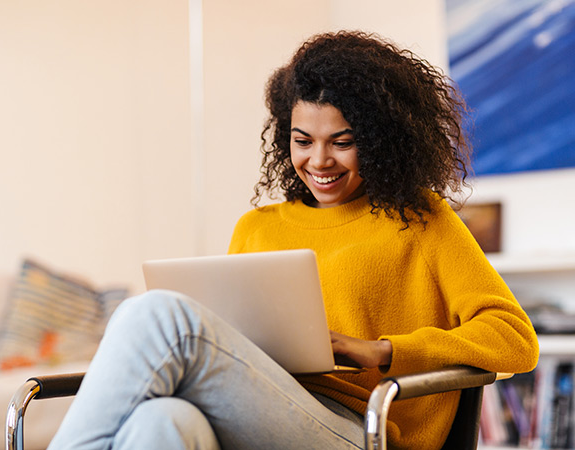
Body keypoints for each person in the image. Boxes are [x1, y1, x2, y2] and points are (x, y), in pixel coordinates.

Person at [48, 31, 538, 450]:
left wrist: (384, 350)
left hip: (360, 427)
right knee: (161, 423)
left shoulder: (420, 219)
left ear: (382, 139)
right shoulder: (256, 227)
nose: (319, 161)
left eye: (342, 142)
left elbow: (515, 339)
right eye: (303, 140)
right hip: (263, 407)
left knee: (155, 315)